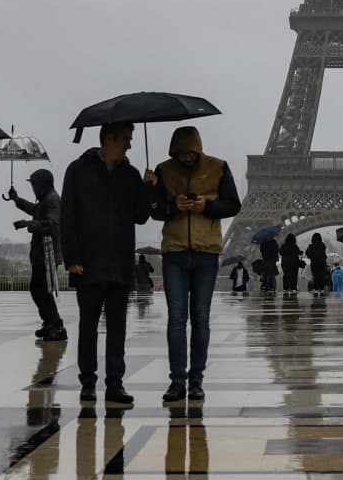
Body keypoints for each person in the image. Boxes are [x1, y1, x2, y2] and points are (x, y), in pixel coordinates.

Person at [61, 121, 153, 408]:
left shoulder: (131, 174)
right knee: (88, 326)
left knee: (117, 328)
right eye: (125, 138)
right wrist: (72, 258)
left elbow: (140, 216)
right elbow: (67, 216)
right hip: (87, 263)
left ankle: (115, 383)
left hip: (119, 262)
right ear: (108, 139)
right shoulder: (77, 170)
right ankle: (88, 382)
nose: (129, 144)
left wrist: (148, 189)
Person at [149, 125, 241, 404]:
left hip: (206, 253)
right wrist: (173, 205)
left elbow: (233, 205)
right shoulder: (164, 171)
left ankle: (196, 379)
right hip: (175, 252)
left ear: (198, 150)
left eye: (190, 153)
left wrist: (206, 206)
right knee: (177, 319)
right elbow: (155, 211)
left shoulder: (218, 167)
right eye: (181, 154)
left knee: (200, 318)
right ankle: (178, 380)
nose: (186, 158)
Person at [7, 168, 66, 342]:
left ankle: (56, 325)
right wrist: (16, 199)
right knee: (38, 290)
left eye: (34, 185)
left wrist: (28, 224)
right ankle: (49, 323)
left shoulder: (53, 199)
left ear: (43, 185)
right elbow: (35, 210)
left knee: (41, 290)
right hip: (41, 254)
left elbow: (52, 224)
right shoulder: (45, 199)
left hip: (48, 254)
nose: (33, 189)